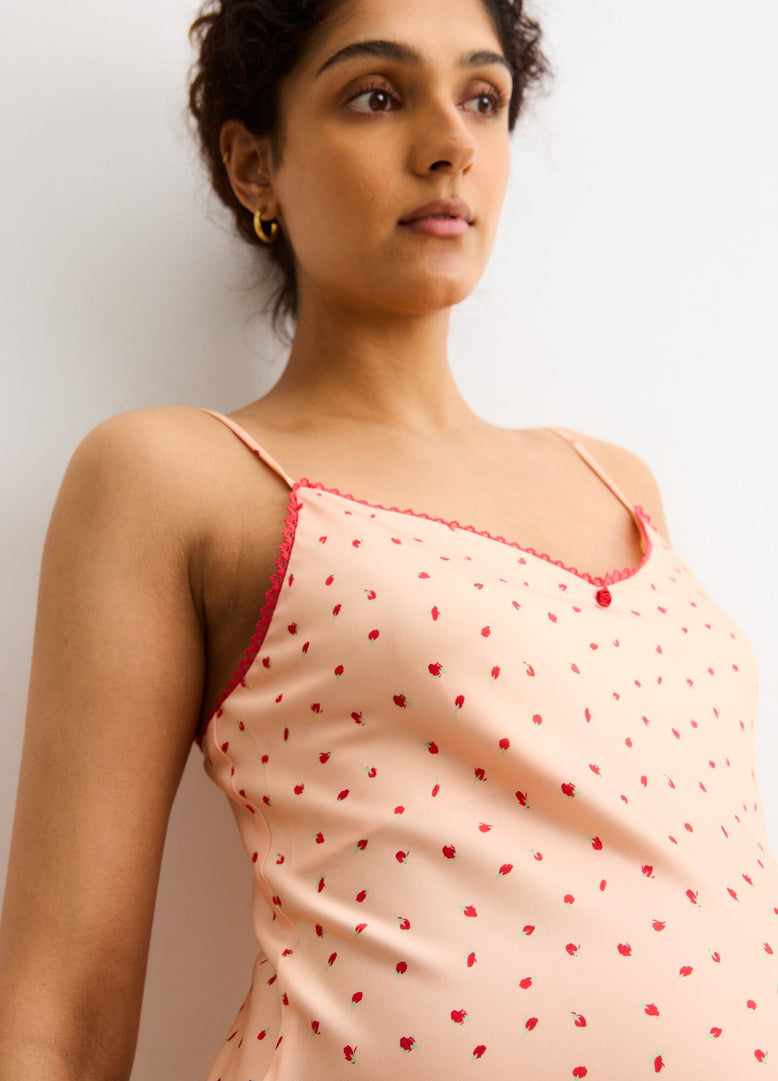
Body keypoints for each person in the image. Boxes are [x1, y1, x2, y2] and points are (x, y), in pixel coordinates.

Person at [1, 0, 776, 1077]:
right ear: (253, 164)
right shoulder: (181, 477)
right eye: (376, 95)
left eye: (484, 98)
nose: (451, 144)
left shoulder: (617, 482)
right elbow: (63, 1015)